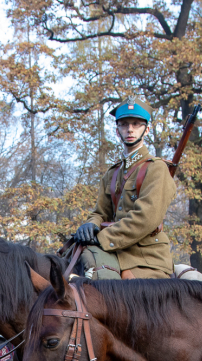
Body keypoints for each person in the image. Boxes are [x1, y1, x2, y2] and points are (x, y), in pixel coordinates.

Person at [72, 96, 175, 280]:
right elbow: (100, 212)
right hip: (113, 253)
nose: (130, 129)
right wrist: (91, 225)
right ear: (117, 129)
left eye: (136, 124)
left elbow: (145, 218)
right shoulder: (113, 173)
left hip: (146, 257)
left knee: (110, 290)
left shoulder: (156, 168)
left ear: (147, 129)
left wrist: (102, 238)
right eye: (124, 124)